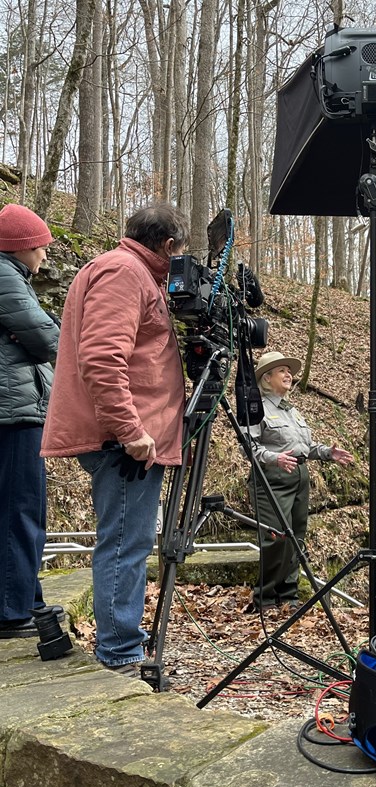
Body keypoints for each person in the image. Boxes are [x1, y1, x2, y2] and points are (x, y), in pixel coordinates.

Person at [41, 202, 189, 675]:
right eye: (178, 254)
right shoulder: (126, 272)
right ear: (168, 245)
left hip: (126, 436)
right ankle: (120, 654)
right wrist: (132, 431)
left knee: (127, 540)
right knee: (126, 543)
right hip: (123, 442)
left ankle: (121, 644)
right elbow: (103, 358)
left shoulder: (126, 270)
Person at [245, 351, 354, 610]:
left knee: (297, 537)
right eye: (281, 370)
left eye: (289, 370)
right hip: (272, 478)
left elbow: (303, 446)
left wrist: (328, 452)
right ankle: (266, 598)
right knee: (276, 537)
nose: (288, 374)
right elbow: (247, 446)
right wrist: (274, 459)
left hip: (299, 476)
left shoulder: (291, 411)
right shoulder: (256, 407)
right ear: (266, 378)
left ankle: (289, 596)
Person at [0, 204, 62, 638]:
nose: (44, 253)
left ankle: (25, 599)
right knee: (20, 510)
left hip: (13, 409)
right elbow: (48, 338)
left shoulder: (11, 277)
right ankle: (12, 611)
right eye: (40, 245)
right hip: (14, 414)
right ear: (21, 246)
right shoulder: (5, 276)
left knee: (17, 509)